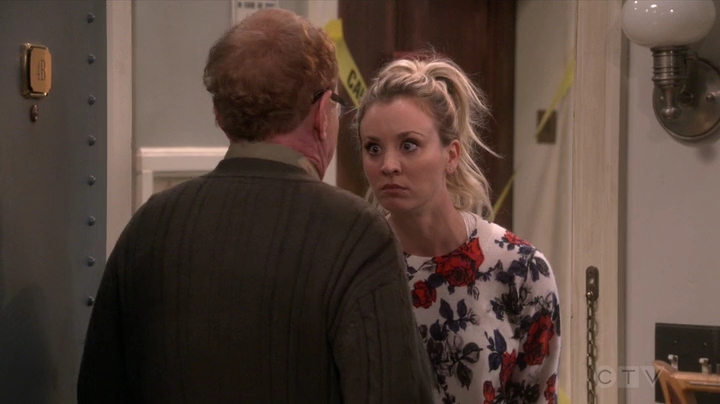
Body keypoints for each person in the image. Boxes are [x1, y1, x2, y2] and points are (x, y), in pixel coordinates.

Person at [77, 9, 435, 403]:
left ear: (220, 116)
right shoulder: (357, 236)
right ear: (321, 115)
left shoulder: (149, 226)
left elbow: (98, 387)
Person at [356, 55, 561, 404]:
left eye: (409, 145)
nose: (388, 165)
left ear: (451, 156)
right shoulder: (356, 265)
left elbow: (537, 394)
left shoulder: (520, 269)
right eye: (373, 148)